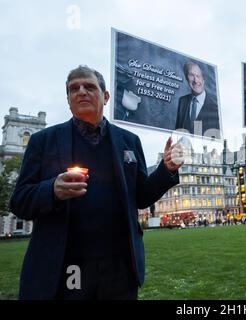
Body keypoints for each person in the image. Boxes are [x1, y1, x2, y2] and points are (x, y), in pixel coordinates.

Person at [10, 65, 184, 300]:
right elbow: (19, 201)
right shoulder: (43, 141)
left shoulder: (129, 141)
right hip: (66, 268)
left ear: (106, 96)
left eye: (89, 86)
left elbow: (141, 196)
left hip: (120, 268)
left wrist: (166, 169)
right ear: (68, 100)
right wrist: (52, 190)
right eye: (74, 89)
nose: (81, 91)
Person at [175, 61, 220, 138]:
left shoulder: (216, 105)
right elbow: (177, 133)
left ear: (203, 79)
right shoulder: (182, 101)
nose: (195, 80)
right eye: (191, 75)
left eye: (198, 76)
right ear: (186, 78)